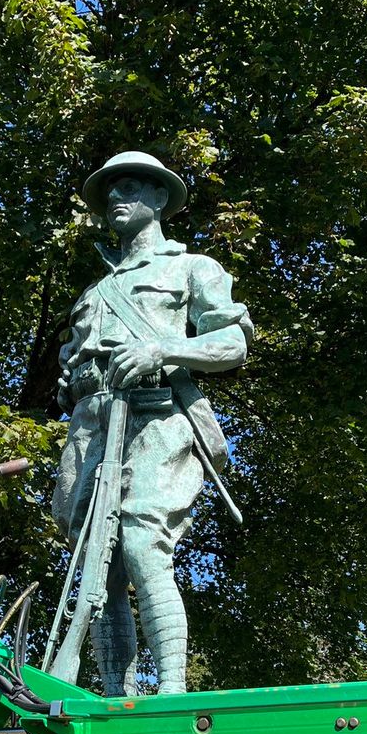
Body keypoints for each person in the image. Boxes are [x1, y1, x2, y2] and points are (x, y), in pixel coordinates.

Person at [51, 152, 252, 695]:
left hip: (157, 416)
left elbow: (231, 343)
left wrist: (164, 347)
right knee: (97, 561)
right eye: (111, 189)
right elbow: (70, 362)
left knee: (141, 541)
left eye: (133, 187)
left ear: (160, 198)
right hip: (91, 428)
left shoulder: (191, 268)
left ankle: (171, 690)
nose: (118, 197)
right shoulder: (92, 293)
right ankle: (115, 694)